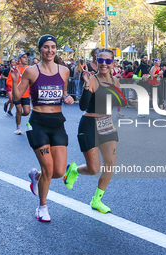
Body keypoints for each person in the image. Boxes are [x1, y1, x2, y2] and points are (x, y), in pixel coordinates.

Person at [11, 34, 74, 222]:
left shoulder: (64, 71)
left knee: (59, 171)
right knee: (48, 167)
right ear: (40, 49)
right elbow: (17, 97)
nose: (50, 50)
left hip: (57, 123)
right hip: (37, 123)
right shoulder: (31, 71)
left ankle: (35, 176)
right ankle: (42, 207)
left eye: (53, 47)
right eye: (46, 47)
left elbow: (63, 93)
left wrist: (67, 98)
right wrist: (15, 80)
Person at [63, 48, 122, 213]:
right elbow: (82, 106)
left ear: (113, 63)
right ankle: (73, 170)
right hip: (89, 123)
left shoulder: (116, 81)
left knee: (110, 164)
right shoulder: (92, 80)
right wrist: (87, 86)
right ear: (96, 61)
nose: (104, 64)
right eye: (100, 60)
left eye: (108, 61)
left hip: (107, 123)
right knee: (93, 168)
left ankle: (97, 200)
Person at [13, 53, 31, 135]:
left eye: (26, 57)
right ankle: (18, 127)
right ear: (19, 59)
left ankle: (18, 116)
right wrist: (15, 85)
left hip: (26, 94)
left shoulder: (29, 69)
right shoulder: (15, 69)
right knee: (19, 109)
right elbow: (9, 81)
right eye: (24, 57)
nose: (26, 59)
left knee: (27, 112)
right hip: (17, 94)